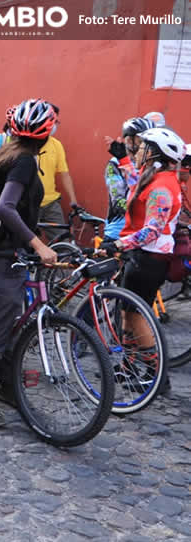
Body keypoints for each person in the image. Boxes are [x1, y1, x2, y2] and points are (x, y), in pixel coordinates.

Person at [0, 98, 59, 428]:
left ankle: (7, 387)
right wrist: (36, 244)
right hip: (4, 257)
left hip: (9, 254)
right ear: (46, 134)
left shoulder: (12, 153)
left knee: (11, 325)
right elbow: (6, 208)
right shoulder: (24, 162)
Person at [99, 127, 185, 396]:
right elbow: (135, 182)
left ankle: (157, 377)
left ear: (155, 154)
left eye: (144, 148)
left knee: (137, 318)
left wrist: (118, 244)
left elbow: (152, 230)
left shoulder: (162, 187)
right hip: (140, 256)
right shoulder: (156, 177)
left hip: (150, 259)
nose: (138, 151)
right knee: (127, 313)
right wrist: (123, 160)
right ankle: (130, 365)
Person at [102, 117, 153, 241]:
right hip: (118, 232)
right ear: (129, 140)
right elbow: (118, 201)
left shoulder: (150, 164)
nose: (146, 145)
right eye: (142, 140)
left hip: (143, 232)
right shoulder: (115, 164)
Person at [36, 103, 80, 241]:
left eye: (56, 121)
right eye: (53, 121)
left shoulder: (56, 145)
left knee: (62, 242)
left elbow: (64, 174)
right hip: (28, 203)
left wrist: (73, 200)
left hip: (50, 203)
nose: (55, 125)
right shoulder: (24, 144)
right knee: (26, 246)